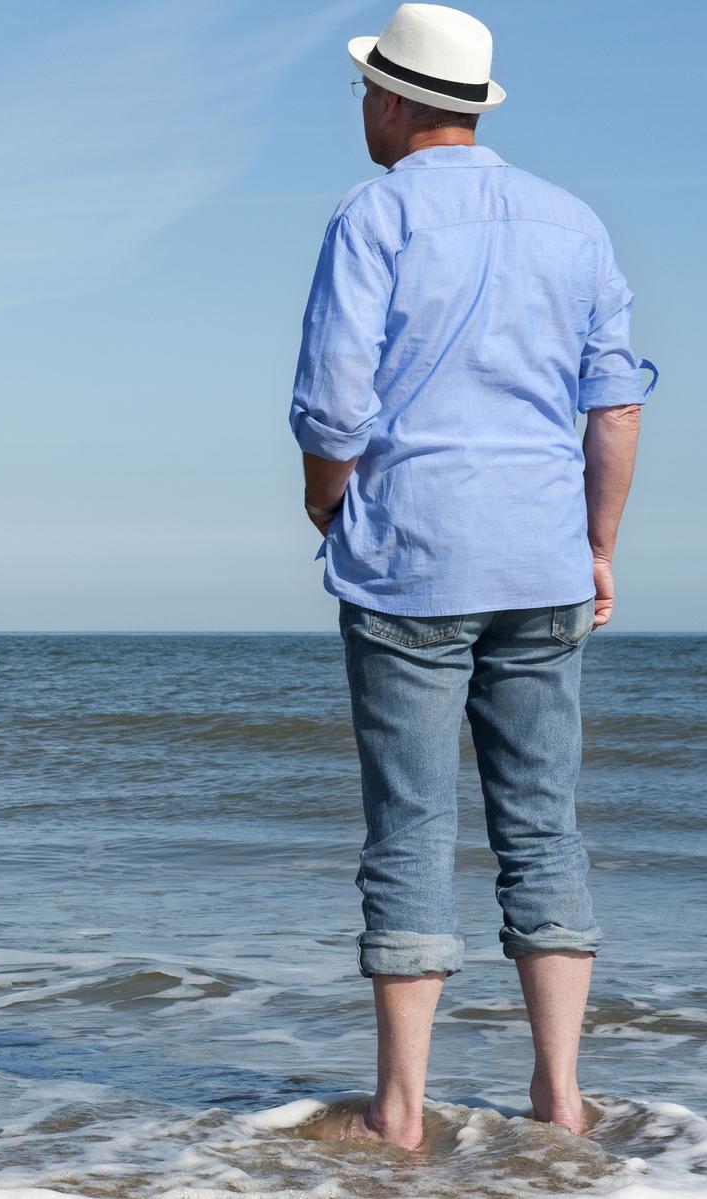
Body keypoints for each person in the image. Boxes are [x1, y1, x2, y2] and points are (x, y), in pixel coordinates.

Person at [287, 3, 658, 1150]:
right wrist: (598, 543)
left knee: (409, 830)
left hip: (411, 560)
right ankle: (559, 1094)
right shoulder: (573, 221)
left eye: (366, 95)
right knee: (544, 827)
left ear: (395, 103)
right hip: (542, 556)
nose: (363, 111)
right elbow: (616, 404)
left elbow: (334, 397)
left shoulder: (375, 213)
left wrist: (322, 498)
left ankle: (400, 1112)